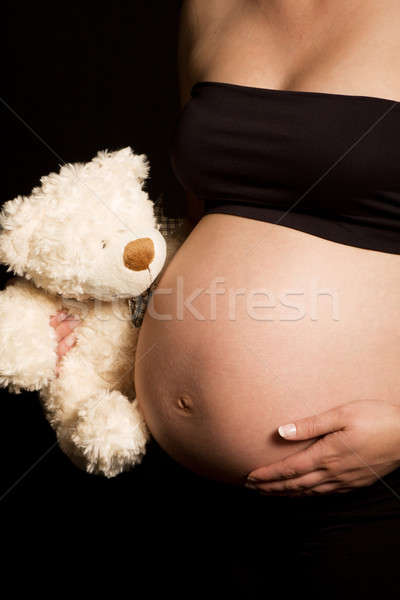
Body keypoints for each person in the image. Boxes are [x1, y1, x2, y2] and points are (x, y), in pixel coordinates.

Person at [53, 1, 400, 593]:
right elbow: (205, 221)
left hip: (358, 489)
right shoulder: (212, 6)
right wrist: (107, 325)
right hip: (166, 480)